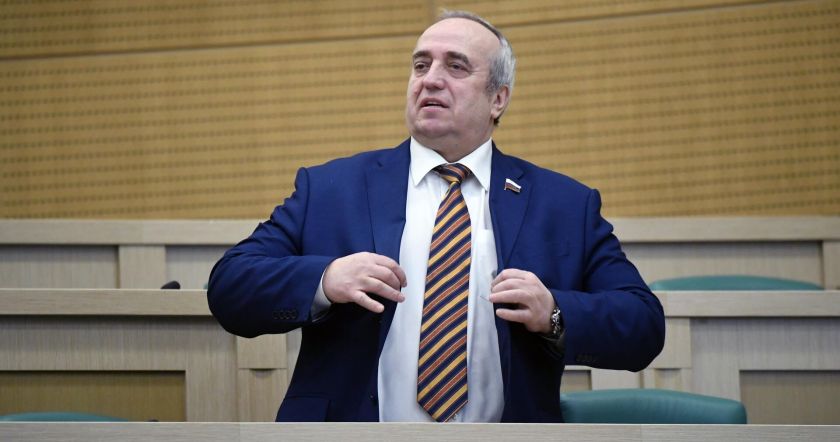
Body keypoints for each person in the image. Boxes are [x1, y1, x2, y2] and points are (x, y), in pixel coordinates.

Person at [207, 10, 665, 423]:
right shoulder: (331, 188)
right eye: (421, 65)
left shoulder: (564, 205)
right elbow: (230, 286)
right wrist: (324, 279)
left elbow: (643, 326)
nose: (430, 80)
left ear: (498, 99)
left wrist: (555, 314)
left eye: (456, 66)